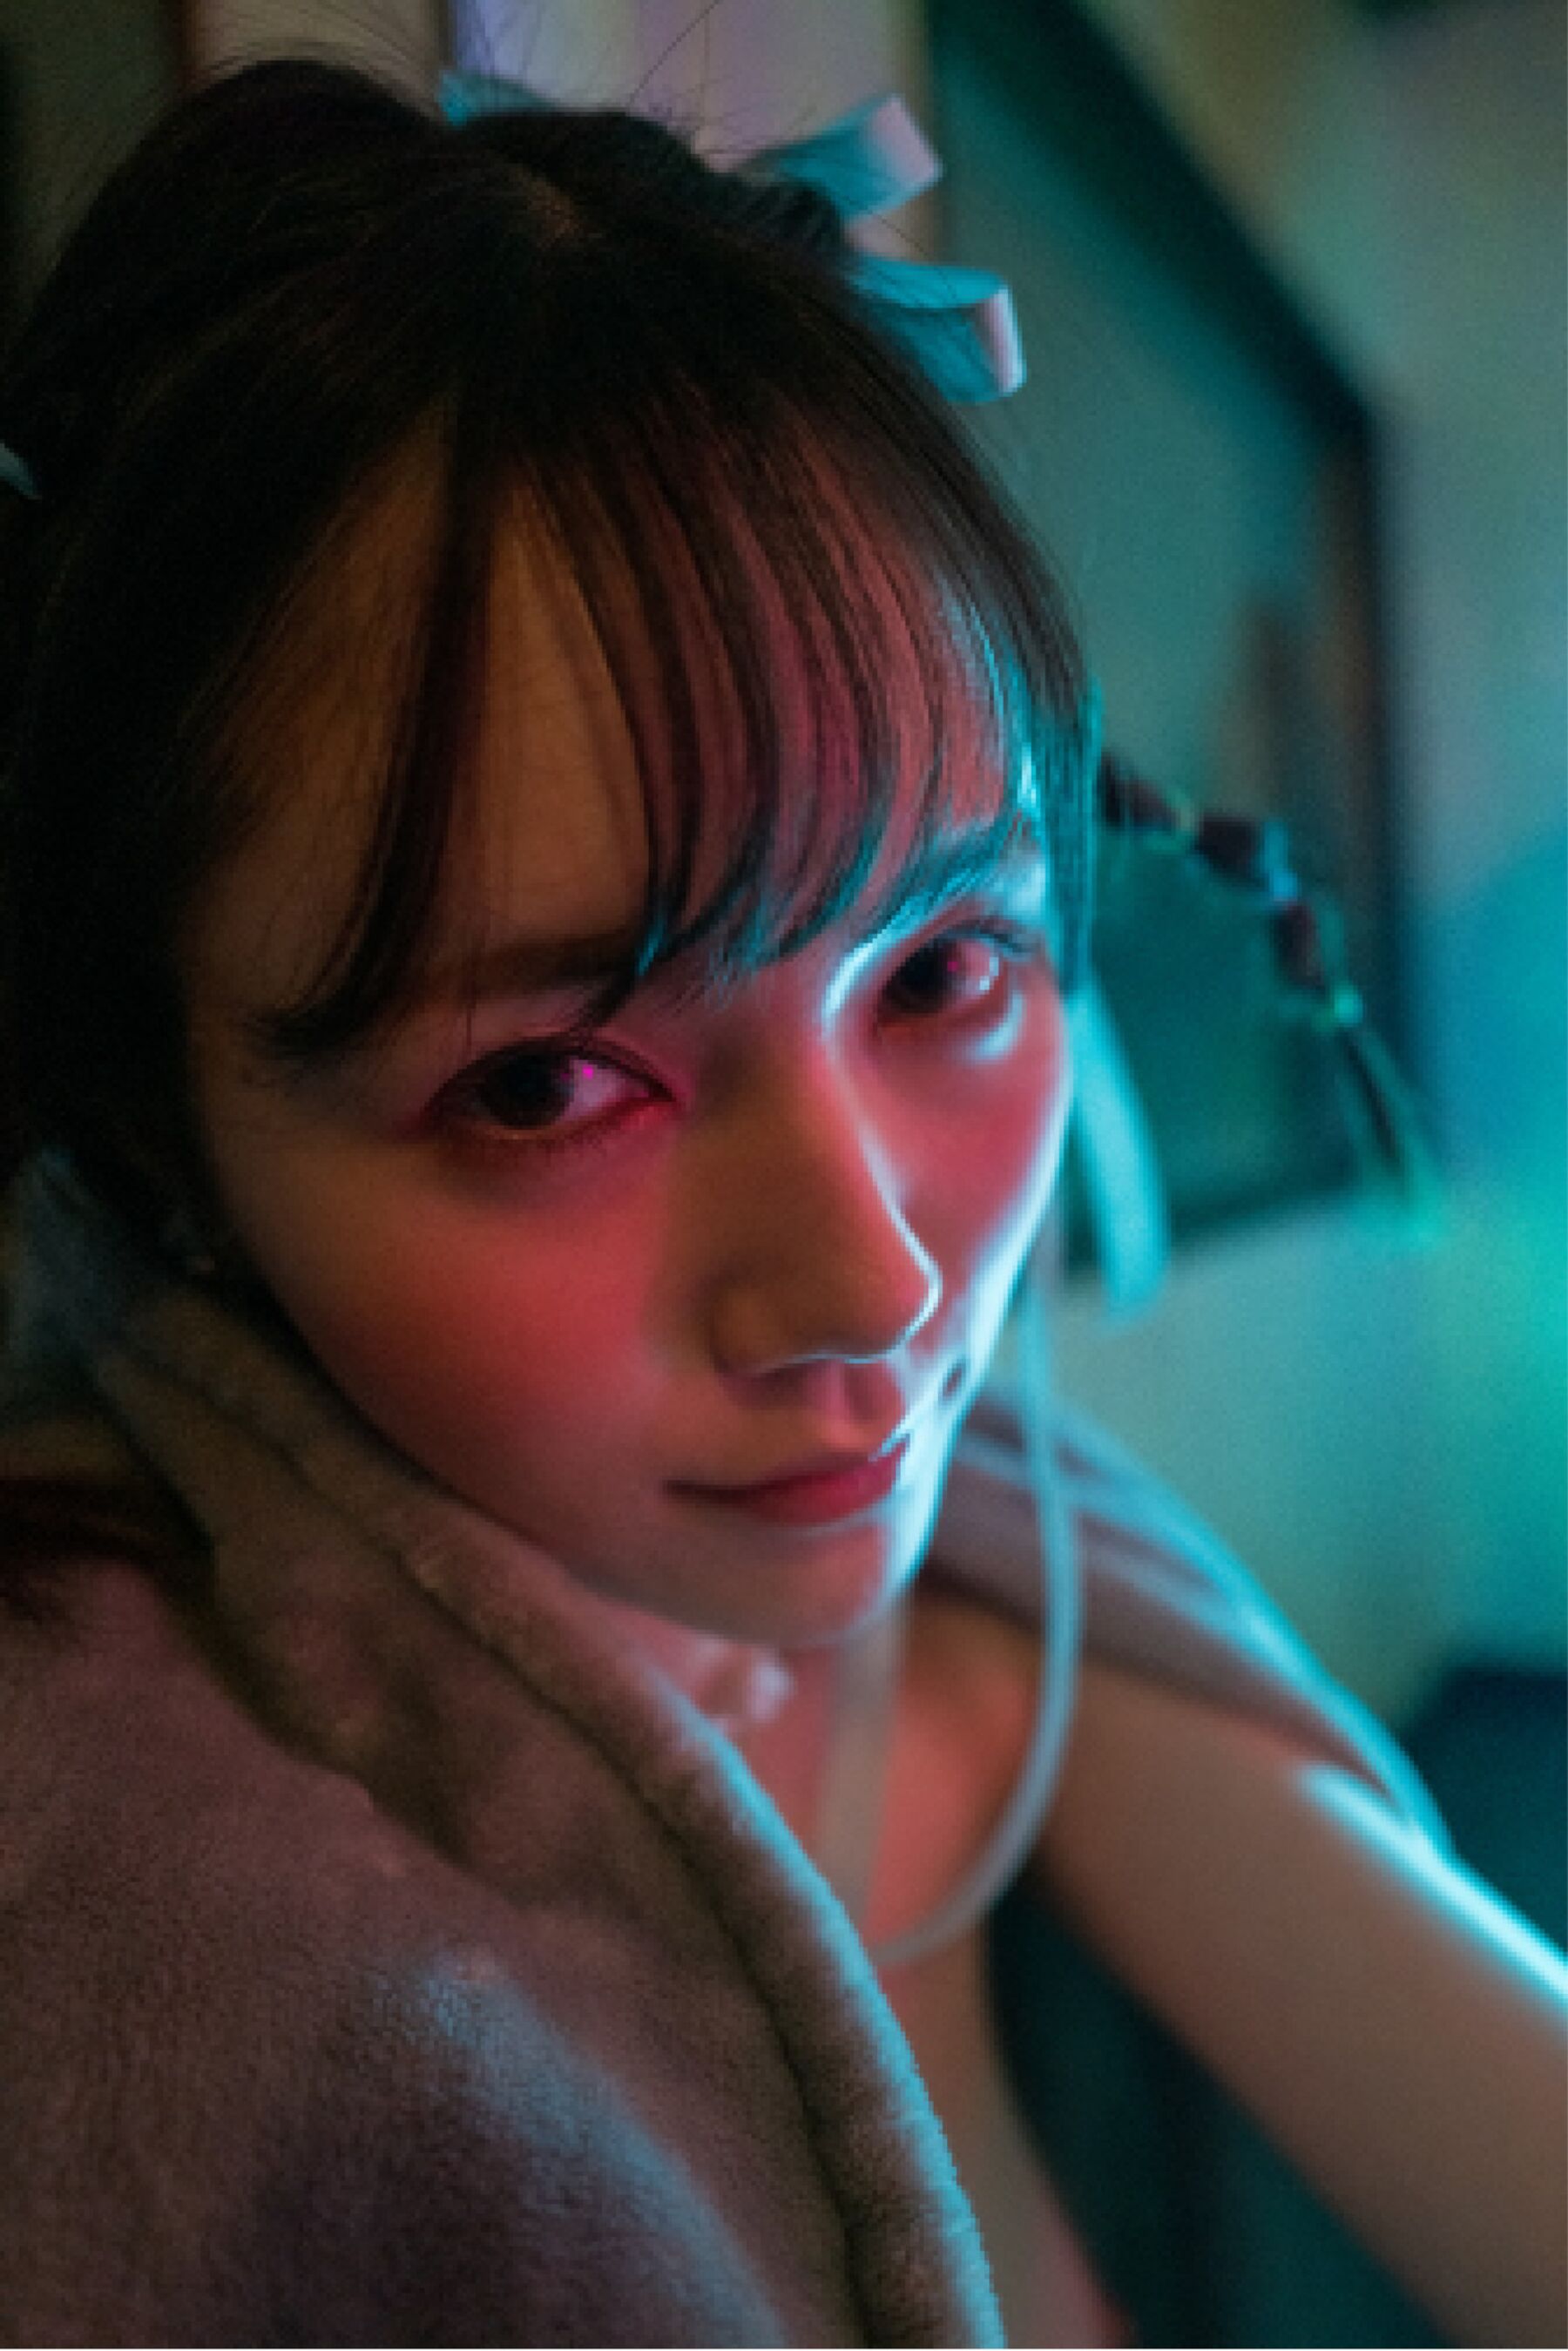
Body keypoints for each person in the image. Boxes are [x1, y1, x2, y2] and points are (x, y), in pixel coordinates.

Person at [0, 54, 1560, 2349]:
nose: (878, 1280)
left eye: (943, 968)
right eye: (545, 1082)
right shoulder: (125, 1903)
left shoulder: (996, 1646)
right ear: (162, 1129)